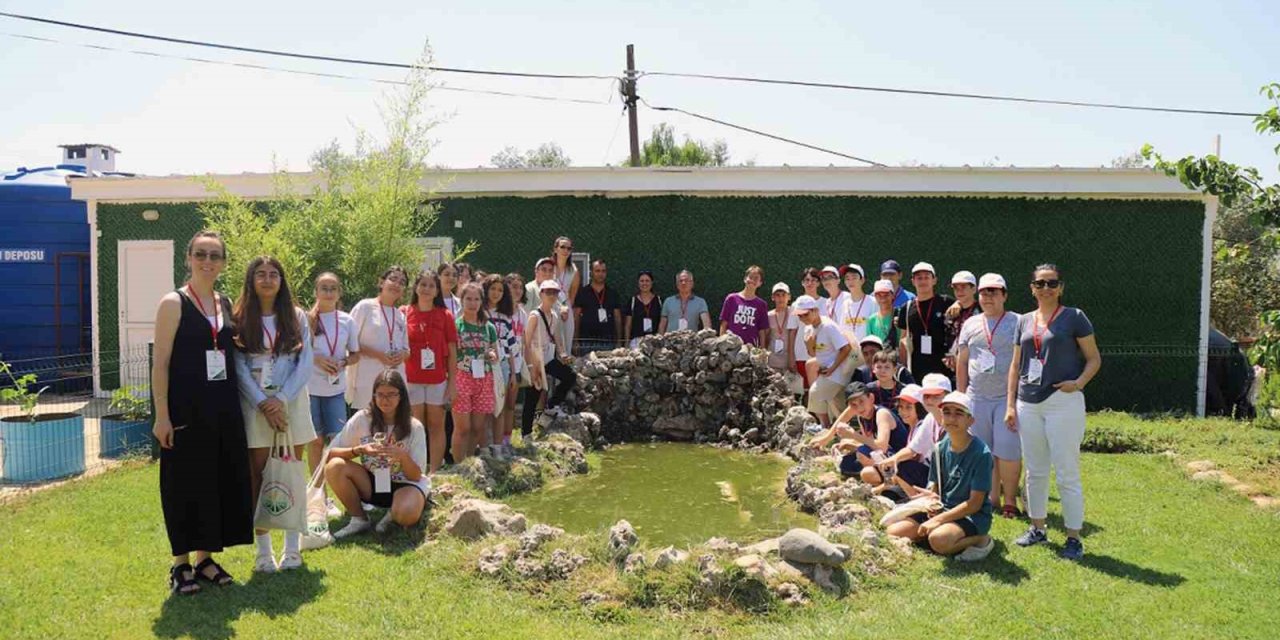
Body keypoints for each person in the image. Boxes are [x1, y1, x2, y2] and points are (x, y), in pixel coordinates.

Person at [151, 230, 252, 595]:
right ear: (188, 258)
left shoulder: (225, 304)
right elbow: (159, 363)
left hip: (223, 409)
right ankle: (180, 566)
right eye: (201, 254)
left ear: (223, 263)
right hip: (184, 411)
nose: (207, 261)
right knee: (183, 484)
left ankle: (205, 558)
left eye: (214, 256)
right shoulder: (173, 303)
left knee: (215, 481)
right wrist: (161, 415)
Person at [1006, 264, 1101, 561]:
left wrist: (1079, 383)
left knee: (1066, 472)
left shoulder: (1074, 317)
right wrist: (1010, 404)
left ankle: (1073, 538)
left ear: (1061, 287)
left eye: (1052, 283)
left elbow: (1094, 358)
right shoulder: (1023, 321)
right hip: (1028, 402)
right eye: (1040, 283)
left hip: (1063, 402)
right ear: (1031, 288)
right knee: (1034, 470)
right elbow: (1015, 365)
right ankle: (1037, 528)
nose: (1046, 288)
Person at [231, 256, 317, 573]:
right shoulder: (239, 318)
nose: (268, 279)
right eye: (261, 274)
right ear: (251, 280)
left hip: (291, 404)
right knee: (259, 476)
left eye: (274, 274)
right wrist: (263, 403)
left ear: (282, 281)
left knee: (291, 473)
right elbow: (238, 367)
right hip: (256, 407)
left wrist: (280, 399)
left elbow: (305, 363)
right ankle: (263, 552)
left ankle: (292, 549)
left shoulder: (296, 317)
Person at [884, 391, 995, 562]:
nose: (951, 418)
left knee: (939, 541)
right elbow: (934, 484)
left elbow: (975, 504)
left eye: (959, 413)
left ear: (970, 420)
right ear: (941, 418)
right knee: (893, 532)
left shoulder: (981, 454)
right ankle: (932, 534)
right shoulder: (939, 448)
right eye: (947, 412)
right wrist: (931, 496)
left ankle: (981, 539)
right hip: (943, 508)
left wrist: (939, 519)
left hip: (971, 515)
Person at [326, 370, 429, 537]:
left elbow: (417, 475)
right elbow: (329, 454)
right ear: (373, 396)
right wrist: (358, 450)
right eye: (380, 395)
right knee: (335, 467)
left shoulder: (414, 426)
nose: (385, 400)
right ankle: (359, 519)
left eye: (391, 395)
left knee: (406, 514)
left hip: (405, 484)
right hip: (373, 481)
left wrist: (402, 456)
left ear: (401, 396)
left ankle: (393, 514)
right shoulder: (362, 418)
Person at [955, 273, 1021, 517]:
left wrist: (1015, 400)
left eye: (993, 292)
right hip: (977, 397)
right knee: (984, 450)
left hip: (1006, 398)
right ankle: (992, 498)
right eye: (983, 292)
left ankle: (1010, 501)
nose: (987, 297)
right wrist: (961, 397)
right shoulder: (970, 324)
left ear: (1004, 295)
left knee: (1008, 449)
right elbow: (961, 362)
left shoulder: (1018, 322)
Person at [306, 272, 361, 501]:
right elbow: (296, 351)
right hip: (310, 389)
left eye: (333, 288)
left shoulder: (347, 320)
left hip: (335, 389)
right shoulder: (306, 319)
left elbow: (356, 354)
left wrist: (344, 361)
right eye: (324, 288)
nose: (328, 293)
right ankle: (320, 495)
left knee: (338, 442)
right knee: (315, 442)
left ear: (339, 293)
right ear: (316, 292)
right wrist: (317, 359)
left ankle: (344, 493)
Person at [404, 269, 457, 473]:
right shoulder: (404, 312)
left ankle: (434, 472)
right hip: (412, 379)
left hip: (437, 380)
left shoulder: (445, 315)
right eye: (423, 284)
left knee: (437, 426)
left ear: (437, 291)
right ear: (416, 287)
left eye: (431, 286)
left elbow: (452, 352)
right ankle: (416, 470)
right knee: (416, 426)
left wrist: (452, 385)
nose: (426, 289)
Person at [807, 381, 907, 486]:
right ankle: (887, 482)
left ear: (871, 398)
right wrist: (826, 439)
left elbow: (882, 446)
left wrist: (853, 435)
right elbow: (844, 418)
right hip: (885, 457)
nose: (859, 408)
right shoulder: (862, 414)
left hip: (900, 461)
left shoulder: (882, 414)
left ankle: (892, 482)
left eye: (861, 401)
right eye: (853, 405)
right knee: (847, 463)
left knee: (863, 460)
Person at [877, 374, 951, 494]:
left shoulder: (953, 421)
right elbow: (912, 449)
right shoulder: (930, 419)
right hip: (934, 473)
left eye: (936, 396)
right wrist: (894, 459)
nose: (929, 400)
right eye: (926, 396)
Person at [349, 267, 410, 409]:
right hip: (368, 378)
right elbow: (349, 341)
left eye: (402, 282)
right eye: (393, 279)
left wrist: (402, 355)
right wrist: (378, 355)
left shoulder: (400, 315)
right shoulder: (365, 307)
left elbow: (407, 349)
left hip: (395, 380)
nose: (397, 284)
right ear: (381, 282)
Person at [452, 282, 499, 463]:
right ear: (462, 300)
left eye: (476, 299)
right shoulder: (456, 326)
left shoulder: (489, 327)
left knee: (477, 427)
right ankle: (458, 465)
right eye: (468, 299)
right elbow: (450, 354)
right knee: (462, 427)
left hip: (484, 378)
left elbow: (495, 352)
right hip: (462, 378)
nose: (472, 303)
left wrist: (492, 354)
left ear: (482, 301)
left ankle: (470, 462)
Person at [794, 294, 854, 426]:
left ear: (815, 311)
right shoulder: (808, 329)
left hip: (838, 373)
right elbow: (813, 353)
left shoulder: (828, 326)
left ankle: (824, 427)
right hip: (827, 372)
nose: (803, 318)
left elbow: (846, 348)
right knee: (839, 407)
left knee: (815, 393)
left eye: (805, 314)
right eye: (800, 316)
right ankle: (840, 430)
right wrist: (809, 344)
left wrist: (832, 368)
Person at [896, 262, 955, 381]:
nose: (923, 281)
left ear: (934, 280)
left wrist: (959, 303)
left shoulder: (947, 303)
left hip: (944, 369)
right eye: (919, 278)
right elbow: (903, 341)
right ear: (913, 281)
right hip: (916, 370)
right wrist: (903, 369)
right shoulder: (906, 308)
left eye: (926, 277)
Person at [527, 280, 577, 411]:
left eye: (555, 292)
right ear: (541, 294)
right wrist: (530, 365)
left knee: (570, 376)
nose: (551, 295)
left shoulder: (554, 315)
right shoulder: (534, 315)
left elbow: (557, 337)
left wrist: (563, 354)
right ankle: (527, 430)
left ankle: (552, 405)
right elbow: (526, 341)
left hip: (547, 357)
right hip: (535, 359)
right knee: (534, 395)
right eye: (548, 292)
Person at [484, 274, 519, 458]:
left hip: (503, 365)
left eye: (500, 289)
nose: (496, 293)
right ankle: (485, 445)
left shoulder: (505, 316)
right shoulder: (479, 312)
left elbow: (512, 347)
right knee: (484, 407)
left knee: (500, 407)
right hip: (483, 365)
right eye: (492, 289)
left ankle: (498, 447)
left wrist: (514, 373)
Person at [573, 259, 623, 354]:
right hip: (586, 342)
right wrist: (575, 341)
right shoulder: (582, 293)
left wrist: (619, 341)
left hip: (608, 342)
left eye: (603, 271)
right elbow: (576, 317)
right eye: (597, 271)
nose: (600, 274)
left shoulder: (612, 294)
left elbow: (617, 318)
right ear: (591, 272)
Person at [504, 272, 529, 446]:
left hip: (518, 363)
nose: (518, 290)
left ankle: (507, 439)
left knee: (511, 404)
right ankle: (494, 439)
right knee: (497, 405)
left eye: (520, 287)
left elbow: (526, 341)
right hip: (502, 362)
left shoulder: (523, 313)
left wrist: (529, 363)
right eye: (514, 286)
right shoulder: (500, 312)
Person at [719, 265, 770, 347]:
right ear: (745, 279)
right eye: (750, 277)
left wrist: (762, 349)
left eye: (756, 278)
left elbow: (762, 330)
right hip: (731, 348)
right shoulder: (731, 299)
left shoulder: (761, 304)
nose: (752, 280)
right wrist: (721, 345)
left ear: (760, 283)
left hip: (751, 349)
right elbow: (724, 323)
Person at [944, 270, 980, 373]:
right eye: (956, 288)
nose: (959, 291)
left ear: (974, 289)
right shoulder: (950, 312)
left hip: (975, 367)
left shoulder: (983, 311)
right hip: (953, 369)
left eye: (963, 287)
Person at [793, 268, 823, 389]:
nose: (810, 283)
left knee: (818, 390)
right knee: (803, 391)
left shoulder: (826, 303)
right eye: (807, 280)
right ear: (802, 283)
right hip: (800, 354)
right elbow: (792, 331)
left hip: (821, 355)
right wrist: (791, 357)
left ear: (818, 283)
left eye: (814, 280)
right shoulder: (796, 304)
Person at [551, 236, 580, 350]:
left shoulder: (573, 270)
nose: (566, 251)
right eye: (563, 247)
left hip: (565, 309)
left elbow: (572, 295)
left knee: (566, 343)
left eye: (569, 248)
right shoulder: (548, 266)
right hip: (549, 306)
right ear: (555, 249)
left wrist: (565, 308)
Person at [766, 282, 799, 376]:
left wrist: (792, 360)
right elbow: (766, 338)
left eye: (784, 295)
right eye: (777, 295)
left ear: (789, 297)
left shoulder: (794, 313)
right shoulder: (768, 315)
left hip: (789, 362)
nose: (781, 298)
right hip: (772, 363)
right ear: (773, 297)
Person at [624, 270, 662, 348]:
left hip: (654, 342)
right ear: (638, 283)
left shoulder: (659, 300)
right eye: (642, 281)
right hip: (636, 342)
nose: (644, 283)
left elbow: (662, 322)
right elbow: (628, 325)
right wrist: (626, 343)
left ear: (652, 283)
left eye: (647, 281)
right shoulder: (632, 301)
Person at [840, 264, 875, 341]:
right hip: (850, 351)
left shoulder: (873, 302)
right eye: (847, 278)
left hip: (868, 350)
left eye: (854, 278)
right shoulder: (844, 304)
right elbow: (842, 330)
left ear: (862, 280)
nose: (850, 281)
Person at [866, 279, 900, 351]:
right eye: (879, 295)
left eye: (886, 295)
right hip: (879, 361)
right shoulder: (871, 320)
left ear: (892, 295)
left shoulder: (901, 315)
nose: (883, 298)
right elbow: (870, 346)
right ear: (875, 297)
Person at [818, 265, 851, 340]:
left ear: (838, 280)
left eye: (830, 277)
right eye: (823, 279)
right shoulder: (826, 303)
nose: (826, 281)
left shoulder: (848, 298)